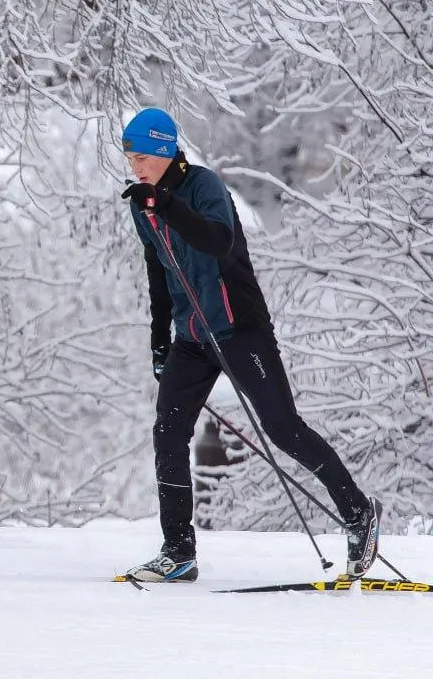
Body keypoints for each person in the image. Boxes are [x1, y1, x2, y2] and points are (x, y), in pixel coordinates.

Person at [118, 107, 380, 583]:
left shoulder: (202, 187)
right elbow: (158, 272)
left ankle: (359, 512)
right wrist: (160, 339)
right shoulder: (143, 204)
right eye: (129, 159)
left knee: (282, 428)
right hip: (193, 338)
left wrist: (165, 206)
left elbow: (217, 241)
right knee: (168, 432)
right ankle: (178, 551)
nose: (135, 167)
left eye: (140, 157)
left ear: (162, 150)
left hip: (240, 330)